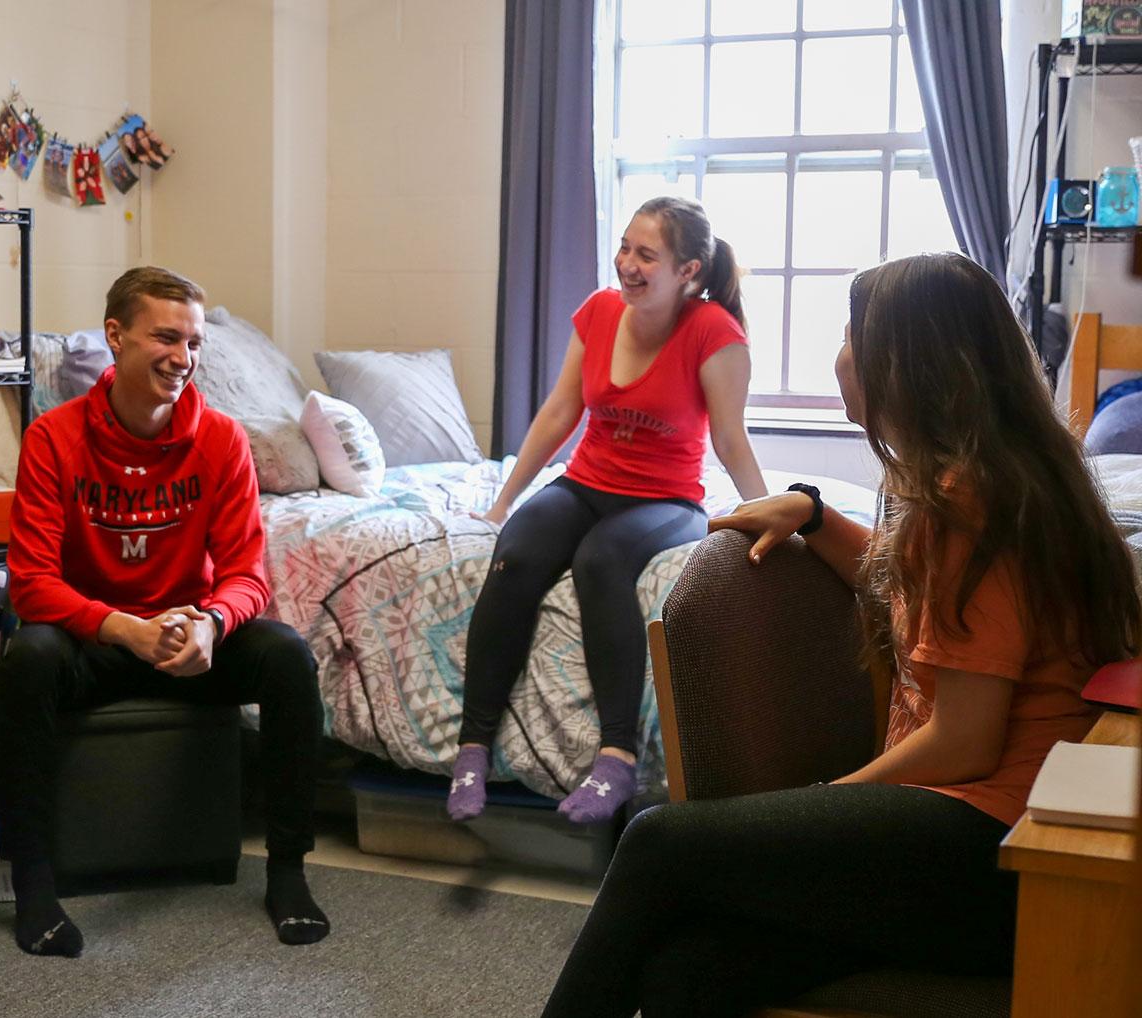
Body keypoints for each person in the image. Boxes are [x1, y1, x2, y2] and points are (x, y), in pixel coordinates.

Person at [540, 251, 1142, 1017]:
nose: (842, 356)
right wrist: (819, 515)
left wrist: (825, 802)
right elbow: (927, 608)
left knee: (662, 843)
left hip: (991, 856)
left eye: (853, 336)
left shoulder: (968, 507)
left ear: (906, 368)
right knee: (691, 971)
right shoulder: (1003, 479)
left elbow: (967, 742)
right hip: (994, 852)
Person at [0, 266, 329, 957]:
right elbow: (31, 583)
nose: (184, 357)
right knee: (28, 657)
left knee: (288, 653)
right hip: (101, 641)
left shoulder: (222, 441)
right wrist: (124, 629)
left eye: (196, 342)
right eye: (166, 337)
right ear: (116, 336)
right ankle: (34, 884)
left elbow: (246, 575)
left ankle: (288, 871)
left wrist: (210, 624)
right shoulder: (55, 439)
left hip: (185, 643)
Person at [449, 196, 767, 825]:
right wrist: (505, 499)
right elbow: (561, 412)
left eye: (647, 254)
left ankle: (617, 758)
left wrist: (770, 515)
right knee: (513, 555)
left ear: (689, 272)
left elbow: (730, 439)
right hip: (587, 483)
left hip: (667, 498)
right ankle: (472, 747)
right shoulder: (598, 312)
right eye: (625, 247)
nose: (627, 263)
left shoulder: (713, 333)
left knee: (602, 560)